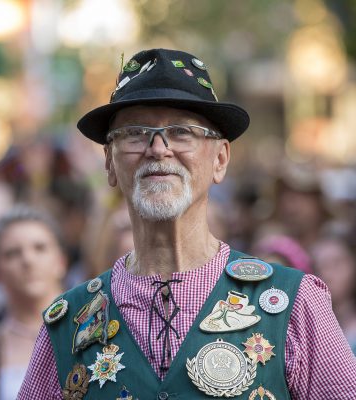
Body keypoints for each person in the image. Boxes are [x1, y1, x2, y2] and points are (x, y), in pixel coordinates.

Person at [18, 48, 356, 399]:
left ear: (220, 159)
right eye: (135, 132)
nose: (158, 148)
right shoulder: (67, 323)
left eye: (181, 131)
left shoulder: (292, 303)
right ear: (109, 163)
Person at [0, 205, 66, 400]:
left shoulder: (99, 327)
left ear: (61, 261)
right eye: (12, 253)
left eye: (40, 248)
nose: (28, 260)